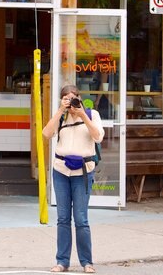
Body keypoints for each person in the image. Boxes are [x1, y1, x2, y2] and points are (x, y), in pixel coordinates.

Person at [42, 85, 104, 273]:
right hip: (61, 171)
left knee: (81, 219)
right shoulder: (61, 116)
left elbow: (98, 137)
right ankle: (62, 262)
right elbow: (46, 134)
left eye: (73, 98)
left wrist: (82, 115)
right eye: (67, 99)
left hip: (83, 172)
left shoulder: (92, 114)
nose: (71, 102)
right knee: (62, 219)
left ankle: (87, 262)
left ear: (79, 98)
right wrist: (61, 110)